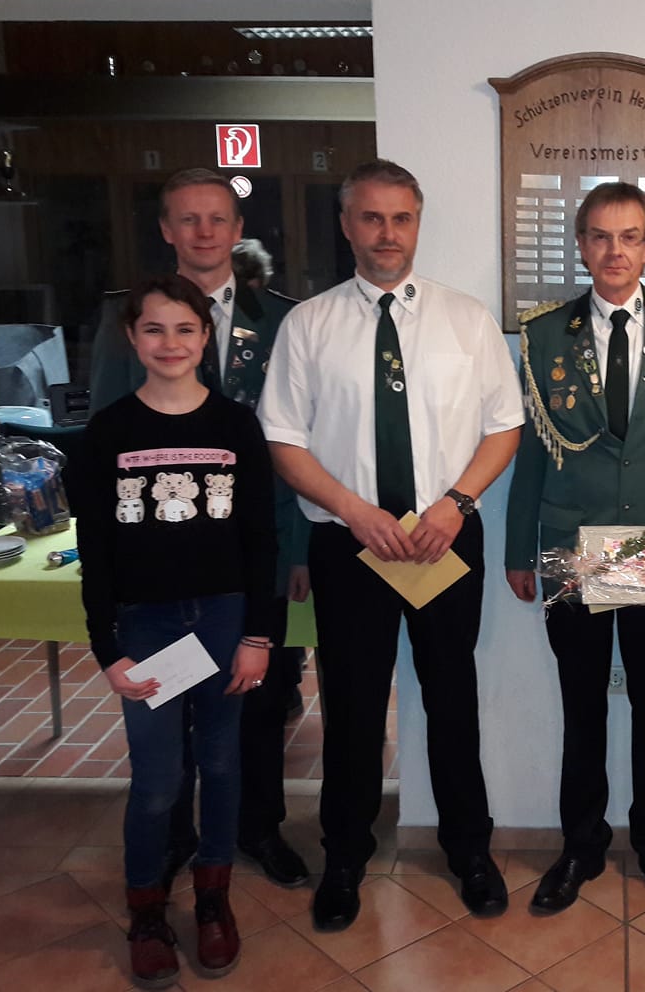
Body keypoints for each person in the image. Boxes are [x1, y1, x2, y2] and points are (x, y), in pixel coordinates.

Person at [258, 159, 523, 931]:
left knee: (452, 698)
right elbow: (283, 438)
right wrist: (352, 510)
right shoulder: (309, 325)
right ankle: (344, 857)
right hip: (350, 545)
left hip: (445, 536)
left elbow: (503, 426)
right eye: (371, 218)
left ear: (417, 223)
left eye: (400, 218)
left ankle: (469, 850)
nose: (387, 233)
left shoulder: (466, 319)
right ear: (347, 225)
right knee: (352, 705)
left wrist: (457, 503)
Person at [505, 182, 645, 915]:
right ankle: (581, 845)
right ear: (581, 244)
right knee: (581, 706)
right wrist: (517, 550)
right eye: (600, 236)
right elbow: (533, 451)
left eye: (630, 236)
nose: (615, 251)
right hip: (572, 543)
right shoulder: (546, 333)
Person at [89, 168, 312, 889]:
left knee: (262, 697)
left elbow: (297, 436)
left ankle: (259, 828)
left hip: (255, 549)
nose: (205, 232)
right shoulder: (127, 319)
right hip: (160, 559)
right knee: (173, 711)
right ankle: (177, 835)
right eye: (188, 219)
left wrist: (297, 548)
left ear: (238, 230)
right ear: (166, 230)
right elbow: (106, 439)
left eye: (217, 219)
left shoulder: (284, 319)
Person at [79, 275, 278, 986]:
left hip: (224, 618)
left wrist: (259, 636)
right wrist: (108, 649)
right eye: (154, 330)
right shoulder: (109, 432)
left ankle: (213, 899)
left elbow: (261, 539)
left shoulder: (235, 427)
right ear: (132, 339)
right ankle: (147, 911)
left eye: (185, 329)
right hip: (149, 624)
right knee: (158, 779)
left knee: (221, 765)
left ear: (205, 337)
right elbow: (97, 551)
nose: (170, 343)